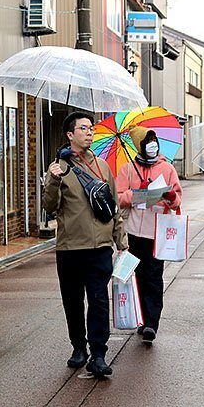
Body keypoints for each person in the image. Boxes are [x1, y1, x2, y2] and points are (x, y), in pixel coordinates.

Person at [42, 111, 128, 378]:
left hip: (100, 246)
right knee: (72, 300)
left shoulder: (102, 166)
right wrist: (54, 181)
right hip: (69, 247)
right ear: (70, 135)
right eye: (83, 128)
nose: (89, 132)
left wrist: (121, 241)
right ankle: (78, 347)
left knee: (99, 299)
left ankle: (99, 353)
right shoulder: (58, 168)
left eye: (91, 128)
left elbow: (113, 206)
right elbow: (49, 207)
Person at [115, 126, 182, 344]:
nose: (153, 144)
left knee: (153, 277)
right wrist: (138, 193)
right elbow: (119, 197)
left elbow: (177, 200)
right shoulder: (127, 169)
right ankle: (141, 319)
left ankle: (152, 322)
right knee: (137, 276)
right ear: (140, 146)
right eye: (148, 141)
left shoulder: (167, 168)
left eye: (154, 140)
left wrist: (170, 195)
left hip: (157, 231)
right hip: (133, 231)